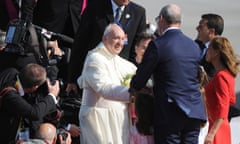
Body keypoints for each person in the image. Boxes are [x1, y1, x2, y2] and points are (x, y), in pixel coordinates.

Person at [130, 4, 207, 144]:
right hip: (194, 109)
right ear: (180, 21)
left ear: (161, 19)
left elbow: (141, 78)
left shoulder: (158, 45)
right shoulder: (193, 45)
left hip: (170, 111)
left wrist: (133, 87)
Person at [66, 0, 147, 94]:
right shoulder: (95, 7)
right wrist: (72, 78)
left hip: (121, 77)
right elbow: (80, 44)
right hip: (95, 73)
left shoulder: (138, 13)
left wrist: (133, 79)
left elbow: (136, 51)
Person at [77, 23, 136, 144]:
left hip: (119, 121)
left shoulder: (124, 63)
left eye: (122, 39)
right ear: (105, 38)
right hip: (98, 120)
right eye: (116, 38)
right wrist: (134, 93)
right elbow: (103, 88)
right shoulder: (95, 58)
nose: (120, 42)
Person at [0, 63, 60, 144]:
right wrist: (52, 96)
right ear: (35, 87)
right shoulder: (10, 96)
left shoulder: (11, 72)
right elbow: (34, 113)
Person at [204, 36, 239, 144]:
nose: (207, 51)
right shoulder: (227, 75)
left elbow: (223, 107)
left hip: (216, 129)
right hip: (220, 126)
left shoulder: (220, 76)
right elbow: (231, 100)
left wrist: (211, 133)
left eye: (209, 48)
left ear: (216, 52)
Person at [196, 13, 224, 78]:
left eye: (201, 26)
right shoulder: (194, 45)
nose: (197, 28)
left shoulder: (221, 52)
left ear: (211, 32)